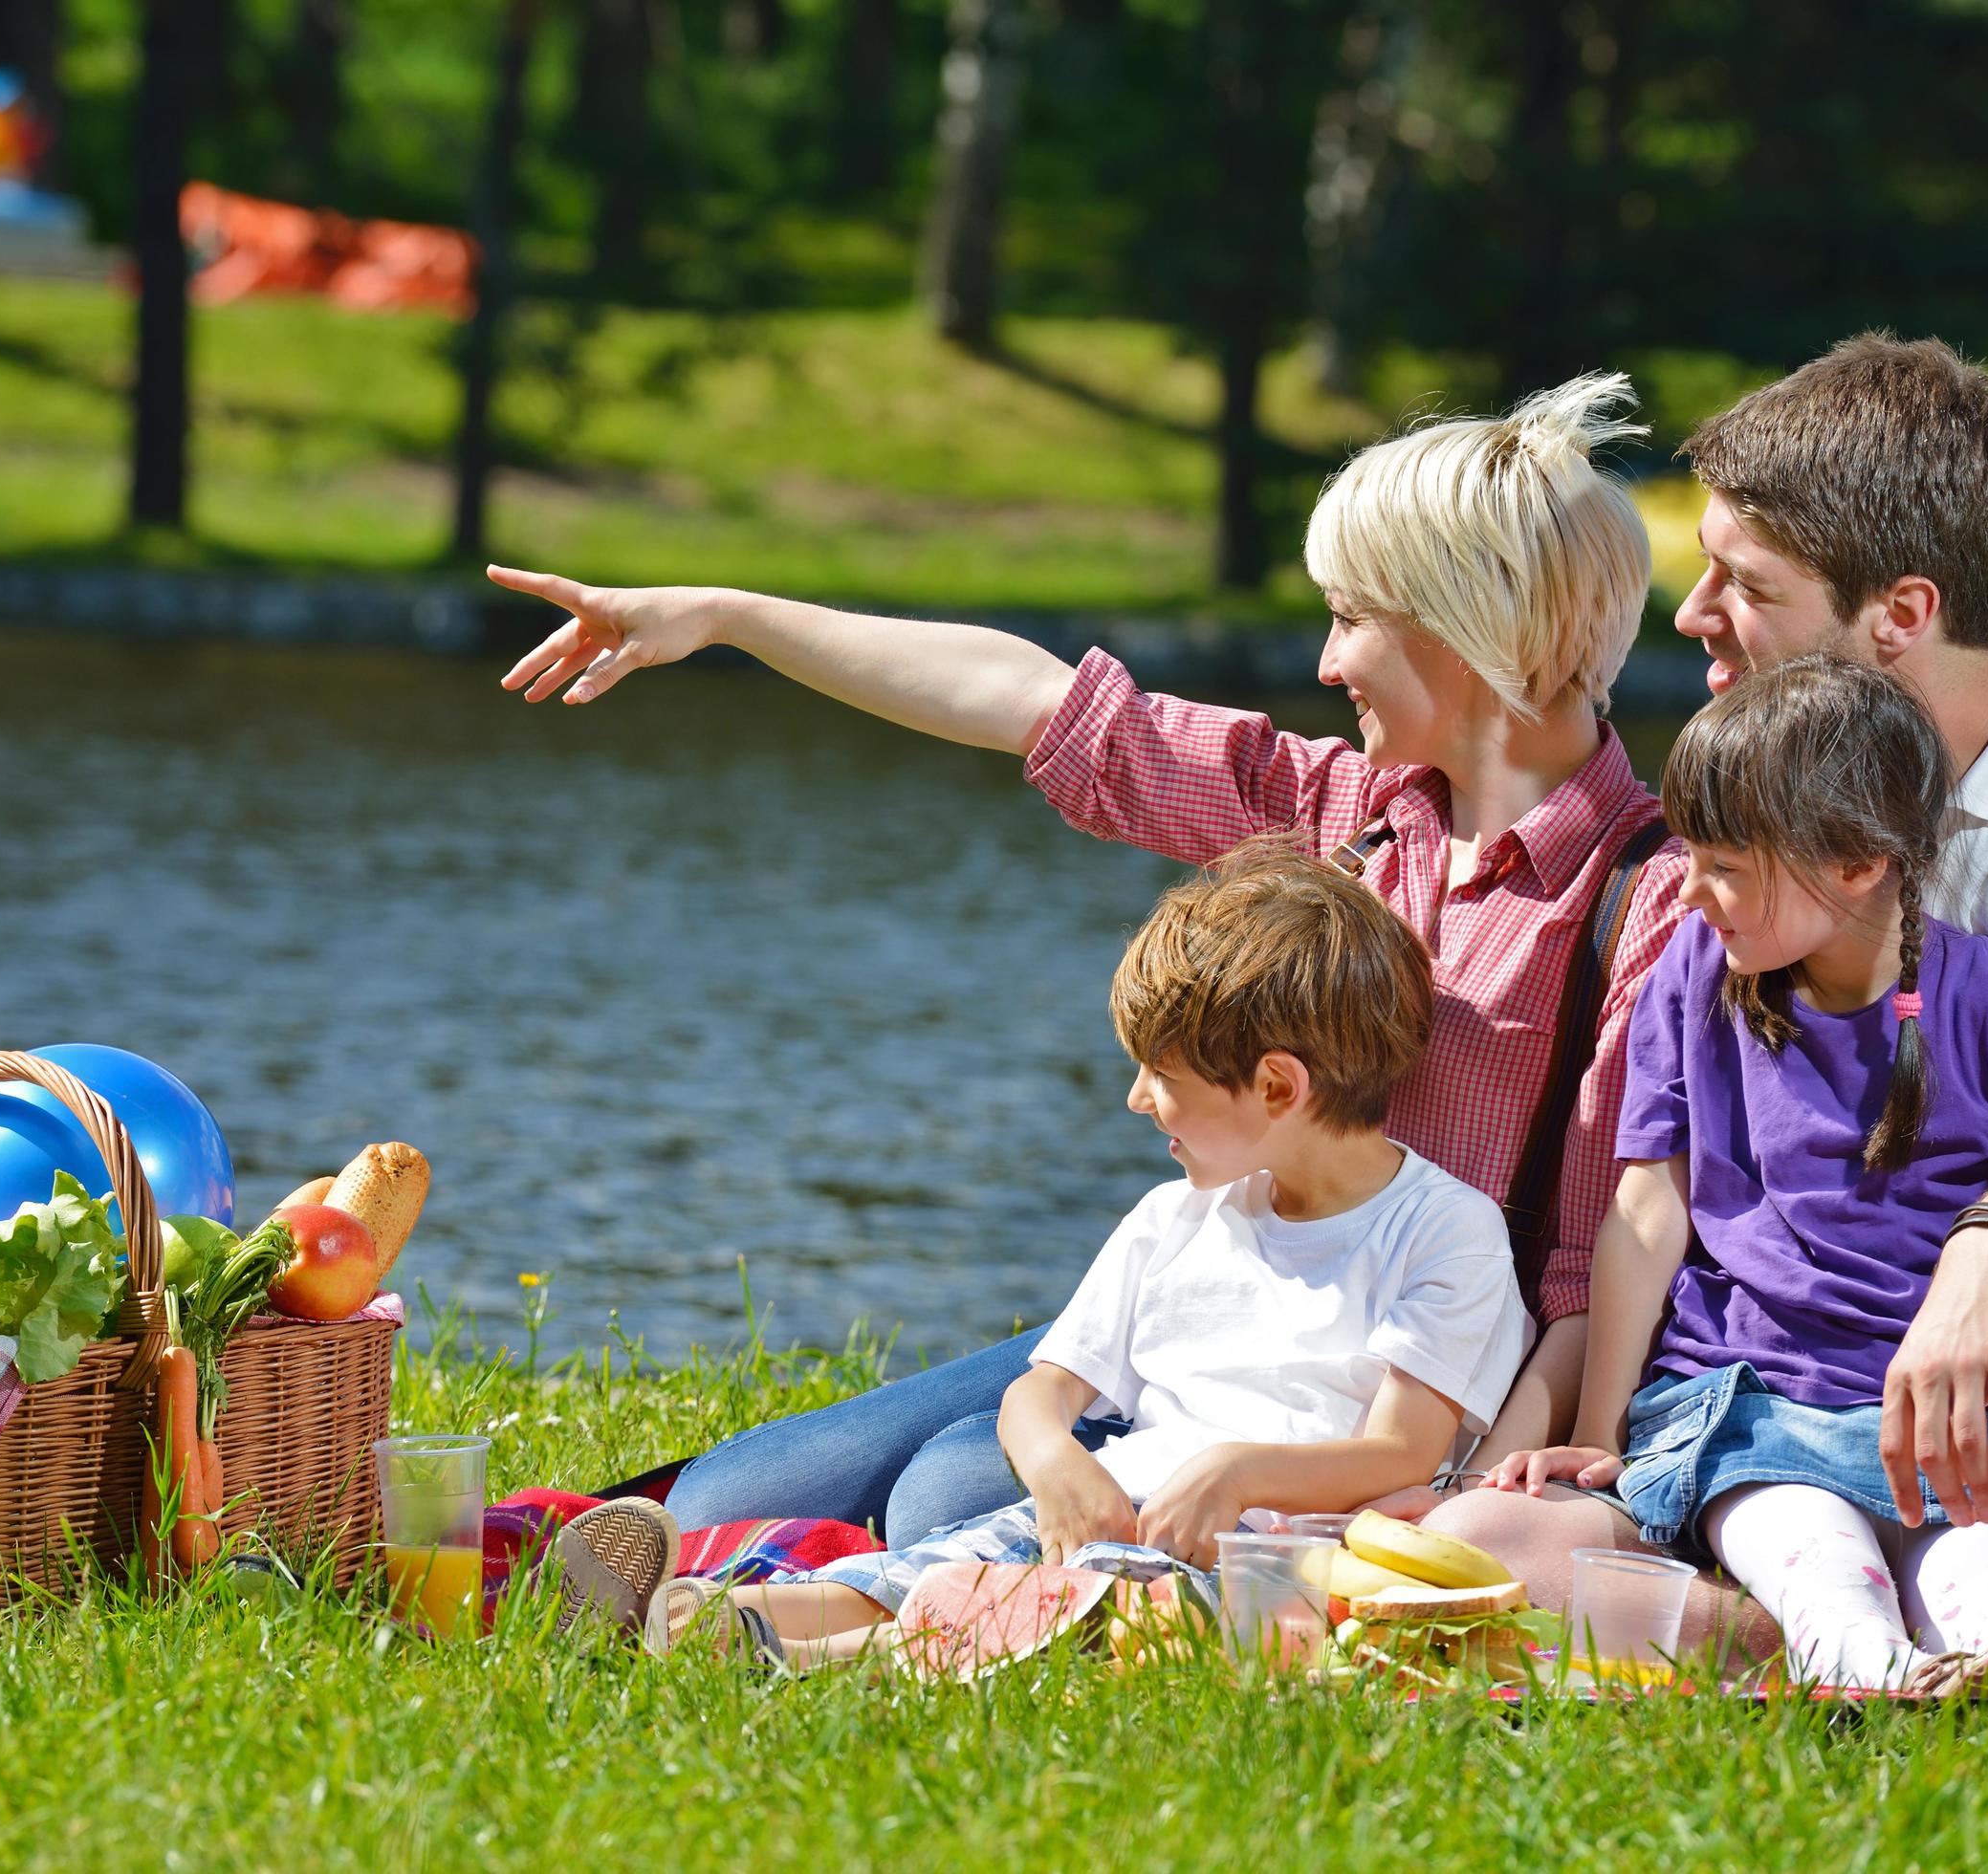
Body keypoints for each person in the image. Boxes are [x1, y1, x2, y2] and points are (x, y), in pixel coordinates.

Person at [494, 373, 1687, 1552]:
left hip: (1366, 1397)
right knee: (724, 1496)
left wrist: (1507, 1481)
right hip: (1198, 1319)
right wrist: (725, 615)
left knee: (945, 1499)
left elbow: (1589, 1255)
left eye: (1354, 616)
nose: (1326, 662)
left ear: (1472, 625)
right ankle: (727, 1563)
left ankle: (833, 1596)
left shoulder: (1647, 896)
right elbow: (1033, 700)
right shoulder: (1341, 813)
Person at [1428, 335, 1988, 1744]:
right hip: (1803, 1420)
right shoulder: (1739, 846)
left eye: (1746, 586)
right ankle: (1873, 1662)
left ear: (1900, 612)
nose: (1693, 614)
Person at [649, 841, 1529, 1668]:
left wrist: (1236, 1470)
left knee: (1099, 1612)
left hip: (1273, 1552)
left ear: (1275, 1086)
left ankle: (798, 1656)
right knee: (933, 1569)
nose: (1136, 1098)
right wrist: (1055, 1462)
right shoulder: (1172, 1219)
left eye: (1163, 1077)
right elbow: (1045, 1389)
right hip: (1116, 1507)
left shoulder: (1444, 1229)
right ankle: (724, 1620)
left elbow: (1402, 1452)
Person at [1492, 656, 1988, 1691]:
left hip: (1947, 1431)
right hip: (1749, 1408)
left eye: (1725, 864)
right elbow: (1649, 1208)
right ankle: (1884, 1682)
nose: (1688, 888)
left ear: (1859, 860)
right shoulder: (1693, 973)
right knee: (1825, 1577)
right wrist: (1601, 1434)